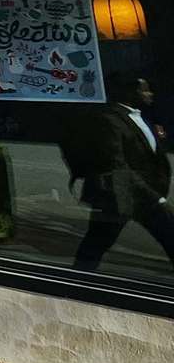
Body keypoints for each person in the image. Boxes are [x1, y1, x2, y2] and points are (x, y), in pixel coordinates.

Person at [66, 74, 174, 271]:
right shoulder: (109, 120)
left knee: (97, 243)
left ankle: (79, 276)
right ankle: (78, 279)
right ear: (130, 92)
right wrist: (155, 198)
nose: (150, 94)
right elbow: (116, 164)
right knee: (97, 243)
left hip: (140, 194)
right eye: (145, 90)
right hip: (119, 195)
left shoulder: (139, 117)